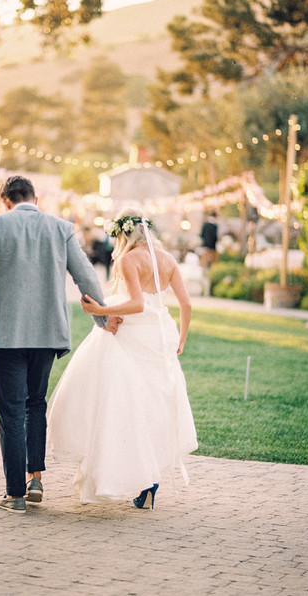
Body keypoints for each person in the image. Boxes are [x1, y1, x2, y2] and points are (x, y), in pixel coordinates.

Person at [0, 176, 119, 514]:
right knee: (35, 403)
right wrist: (103, 318)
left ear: (4, 201)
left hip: (5, 335)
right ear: (35, 200)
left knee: (11, 411)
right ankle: (35, 479)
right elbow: (86, 275)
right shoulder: (61, 228)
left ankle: (15, 494)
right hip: (48, 333)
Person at [47, 208, 198, 509]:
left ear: (123, 234)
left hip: (130, 335)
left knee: (119, 404)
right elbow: (187, 304)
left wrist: (100, 311)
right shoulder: (167, 259)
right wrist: (181, 338)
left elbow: (137, 304)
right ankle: (148, 479)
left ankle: (133, 476)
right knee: (149, 406)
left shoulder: (129, 259)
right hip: (158, 337)